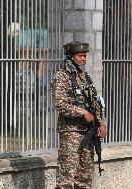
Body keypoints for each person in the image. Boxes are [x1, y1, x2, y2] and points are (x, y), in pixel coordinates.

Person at [50, 41, 107, 189]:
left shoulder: (86, 77)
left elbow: (95, 102)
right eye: (80, 56)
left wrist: (101, 122)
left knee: (85, 177)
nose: (84, 59)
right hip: (71, 132)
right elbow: (60, 104)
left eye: (85, 56)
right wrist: (81, 112)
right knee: (66, 177)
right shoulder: (61, 77)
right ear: (71, 56)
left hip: (88, 132)